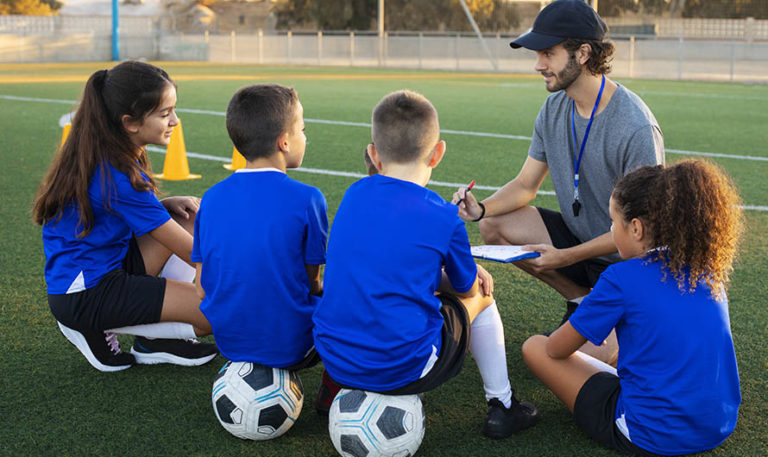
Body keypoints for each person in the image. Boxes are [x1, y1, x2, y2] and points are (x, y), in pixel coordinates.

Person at [314, 90, 538, 439]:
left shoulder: (354, 194)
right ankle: (503, 406)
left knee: (363, 288)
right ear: (437, 153)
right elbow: (464, 288)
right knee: (482, 292)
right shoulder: (443, 216)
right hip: (402, 366)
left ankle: (330, 390)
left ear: (374, 154)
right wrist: (456, 275)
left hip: (333, 354)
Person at [453, 0, 664, 363]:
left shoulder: (635, 127)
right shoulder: (554, 108)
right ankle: (581, 300)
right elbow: (525, 185)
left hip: (630, 263)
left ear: (582, 54)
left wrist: (564, 256)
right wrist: (480, 208)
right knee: (493, 223)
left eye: (548, 53)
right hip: (581, 243)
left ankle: (613, 319)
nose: (538, 65)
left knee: (581, 360)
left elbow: (643, 234)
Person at [521, 160, 742, 456]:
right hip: (718, 424)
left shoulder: (621, 278)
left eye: (613, 223)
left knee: (535, 346)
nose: (612, 231)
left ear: (636, 228)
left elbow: (555, 350)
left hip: (650, 434)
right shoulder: (707, 268)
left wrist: (589, 309)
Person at [32, 61, 218, 372]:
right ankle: (91, 327)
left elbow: (122, 210)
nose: (175, 120)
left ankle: (154, 341)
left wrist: (164, 203)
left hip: (109, 263)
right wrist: (248, 281)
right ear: (130, 122)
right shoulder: (116, 174)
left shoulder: (112, 150)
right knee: (215, 311)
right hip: (86, 294)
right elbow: (193, 253)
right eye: (164, 113)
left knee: (189, 217)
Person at [192, 83, 339, 416]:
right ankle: (336, 384)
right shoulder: (308, 198)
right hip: (293, 345)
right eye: (302, 129)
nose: (306, 136)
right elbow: (311, 281)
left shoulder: (212, 197)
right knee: (350, 294)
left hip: (228, 340)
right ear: (284, 142)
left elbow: (201, 284)